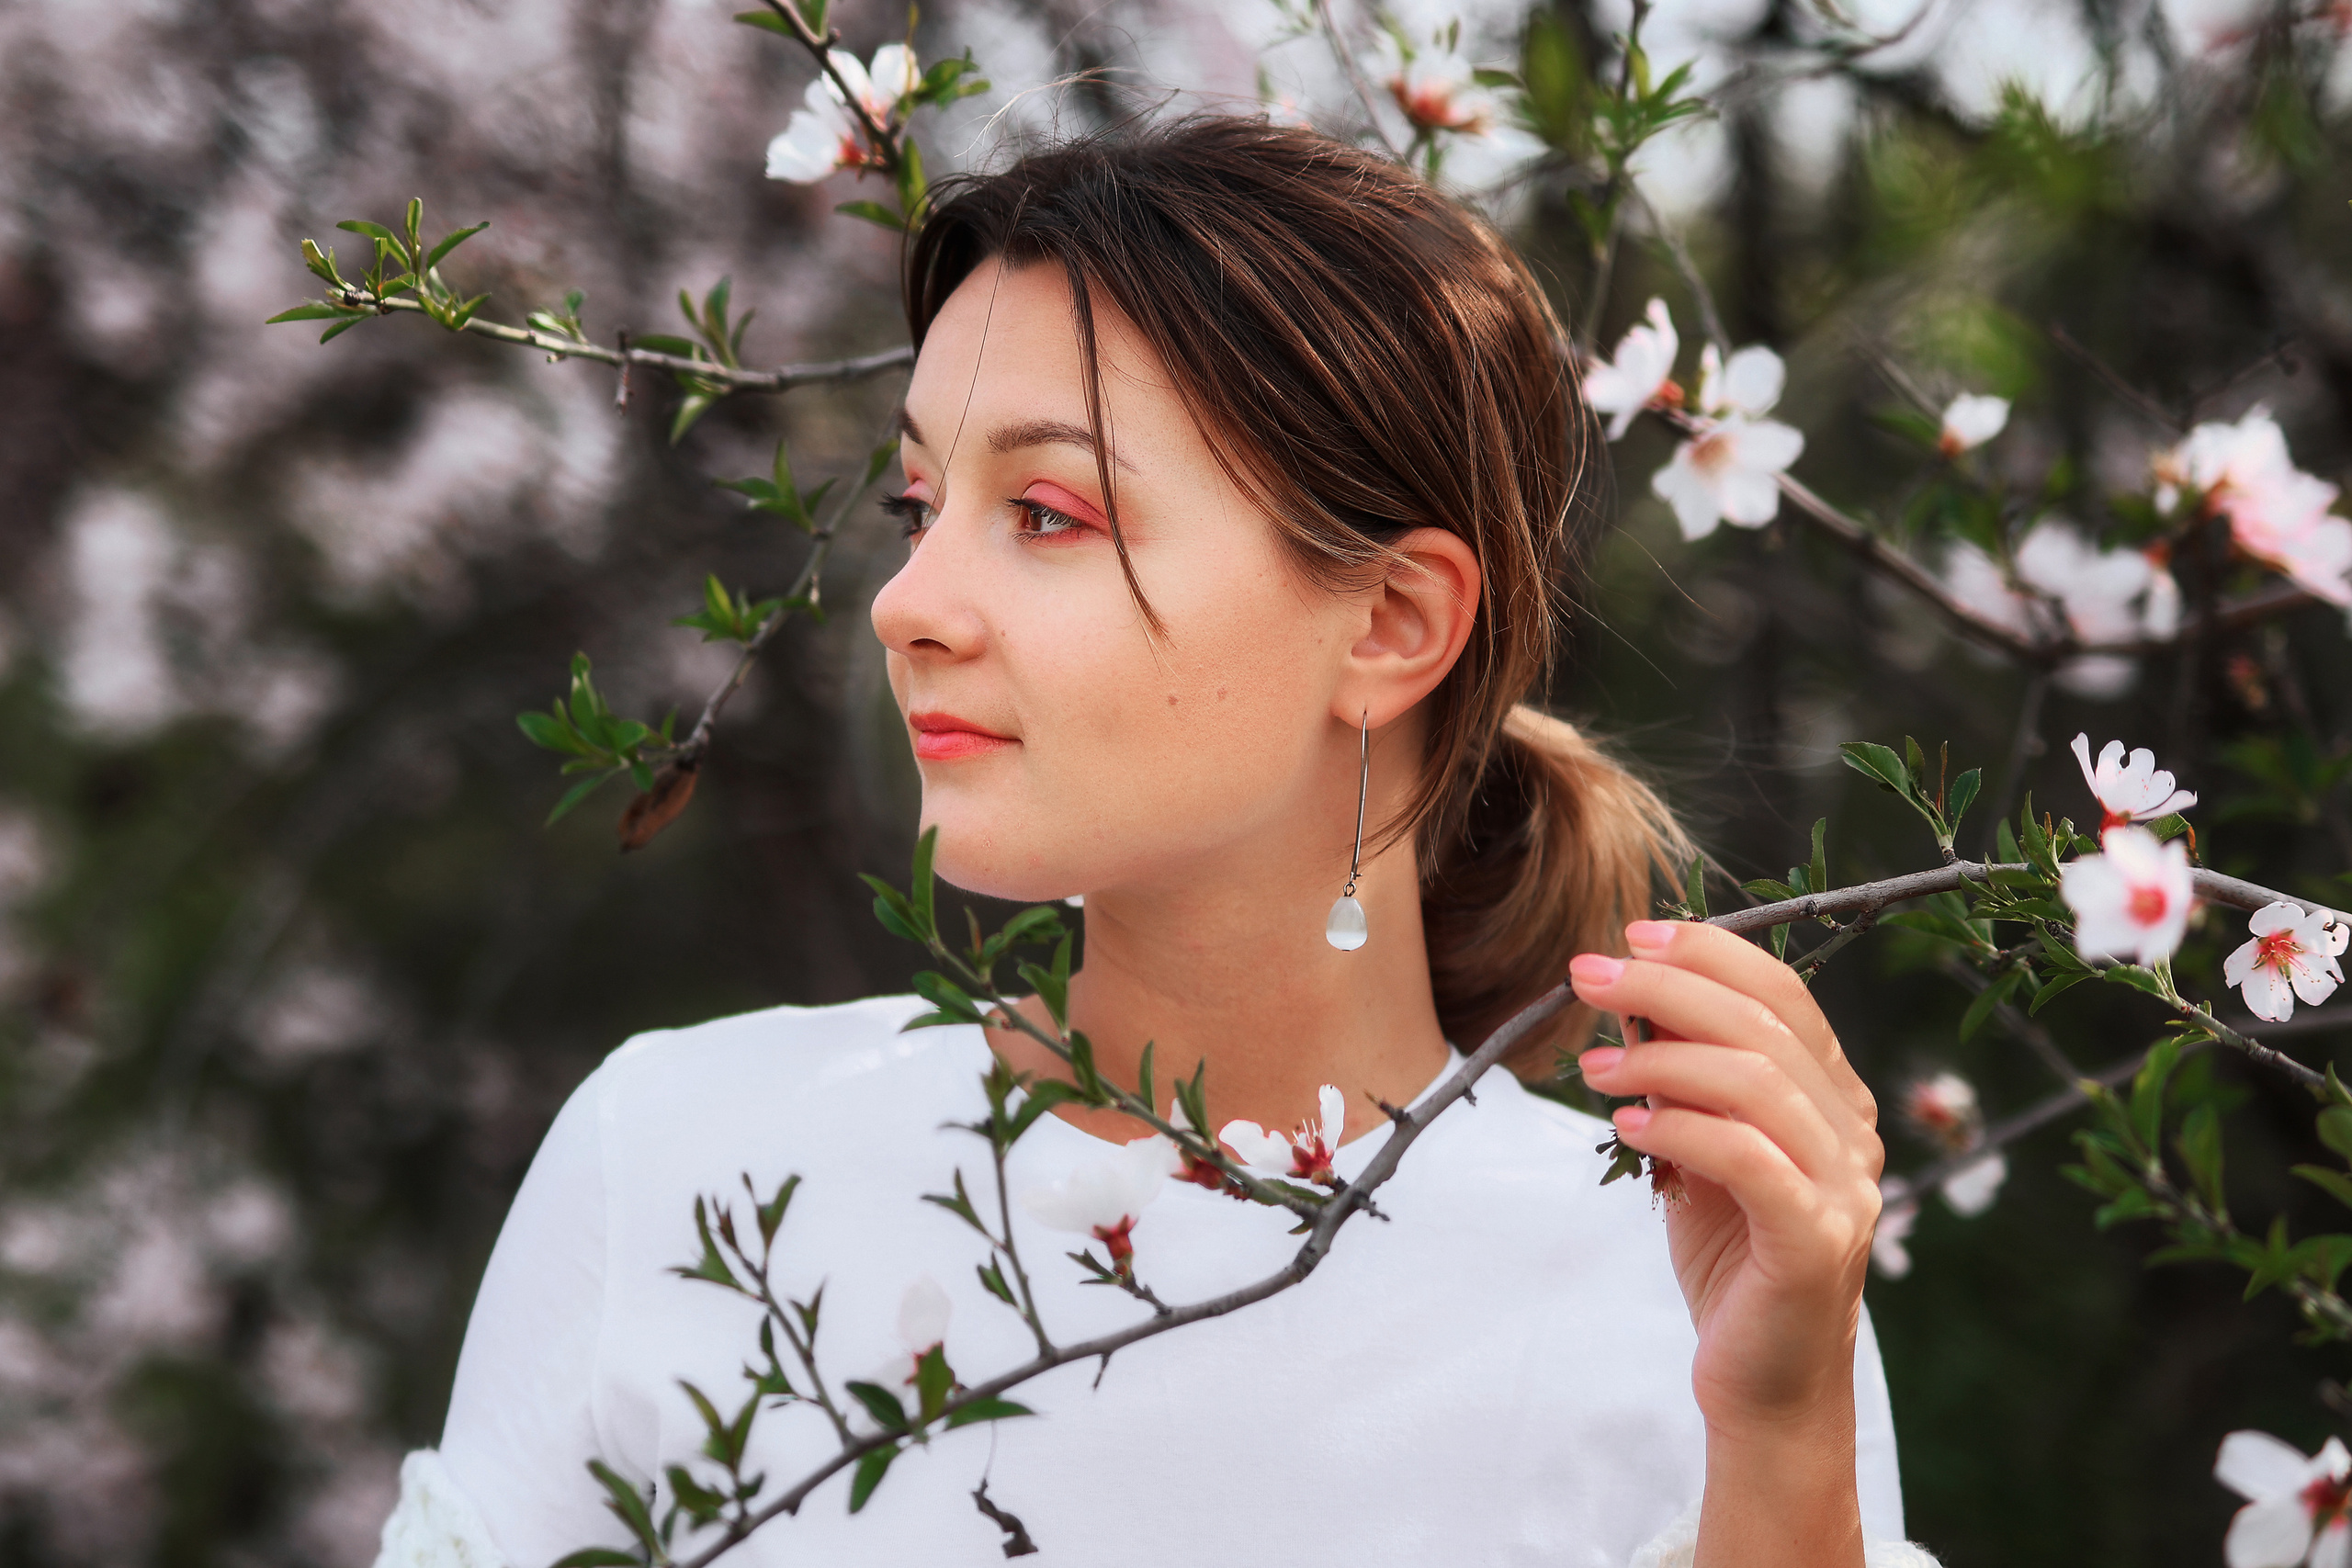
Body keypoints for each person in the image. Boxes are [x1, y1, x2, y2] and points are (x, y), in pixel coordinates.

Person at [372, 117, 1933, 1568]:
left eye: (1046, 512)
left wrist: (1783, 1442)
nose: (910, 608)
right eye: (921, 506)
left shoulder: (1693, 1294)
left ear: (1390, 623)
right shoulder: (681, 1167)